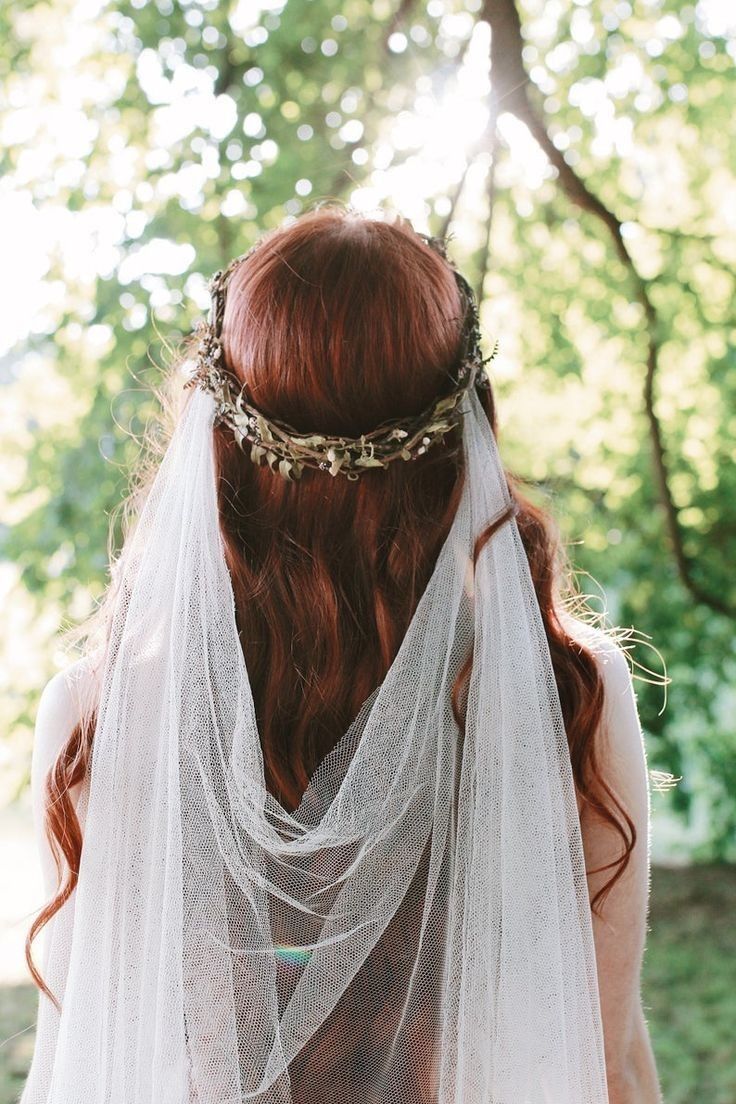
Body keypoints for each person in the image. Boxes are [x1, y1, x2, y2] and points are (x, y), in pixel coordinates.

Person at [22, 206, 661, 1103]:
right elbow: (603, 1059)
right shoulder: (565, 698)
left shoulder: (98, 719)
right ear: (464, 436)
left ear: (215, 431)